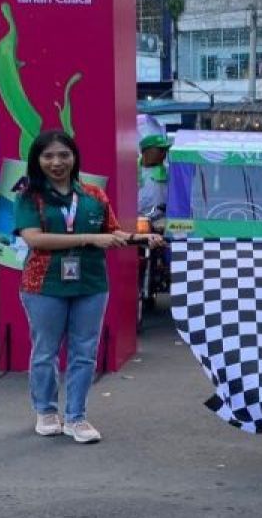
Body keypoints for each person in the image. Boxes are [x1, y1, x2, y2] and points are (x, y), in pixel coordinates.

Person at [15, 131, 164, 443]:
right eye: (48, 156)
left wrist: (139, 238)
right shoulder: (30, 196)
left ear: (74, 157)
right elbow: (34, 239)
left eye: (63, 155)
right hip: (43, 284)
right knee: (46, 351)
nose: (57, 162)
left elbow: (110, 232)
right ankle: (45, 411)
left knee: (85, 352)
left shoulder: (94, 195)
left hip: (91, 282)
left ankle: (76, 417)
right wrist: (89, 239)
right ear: (37, 160)